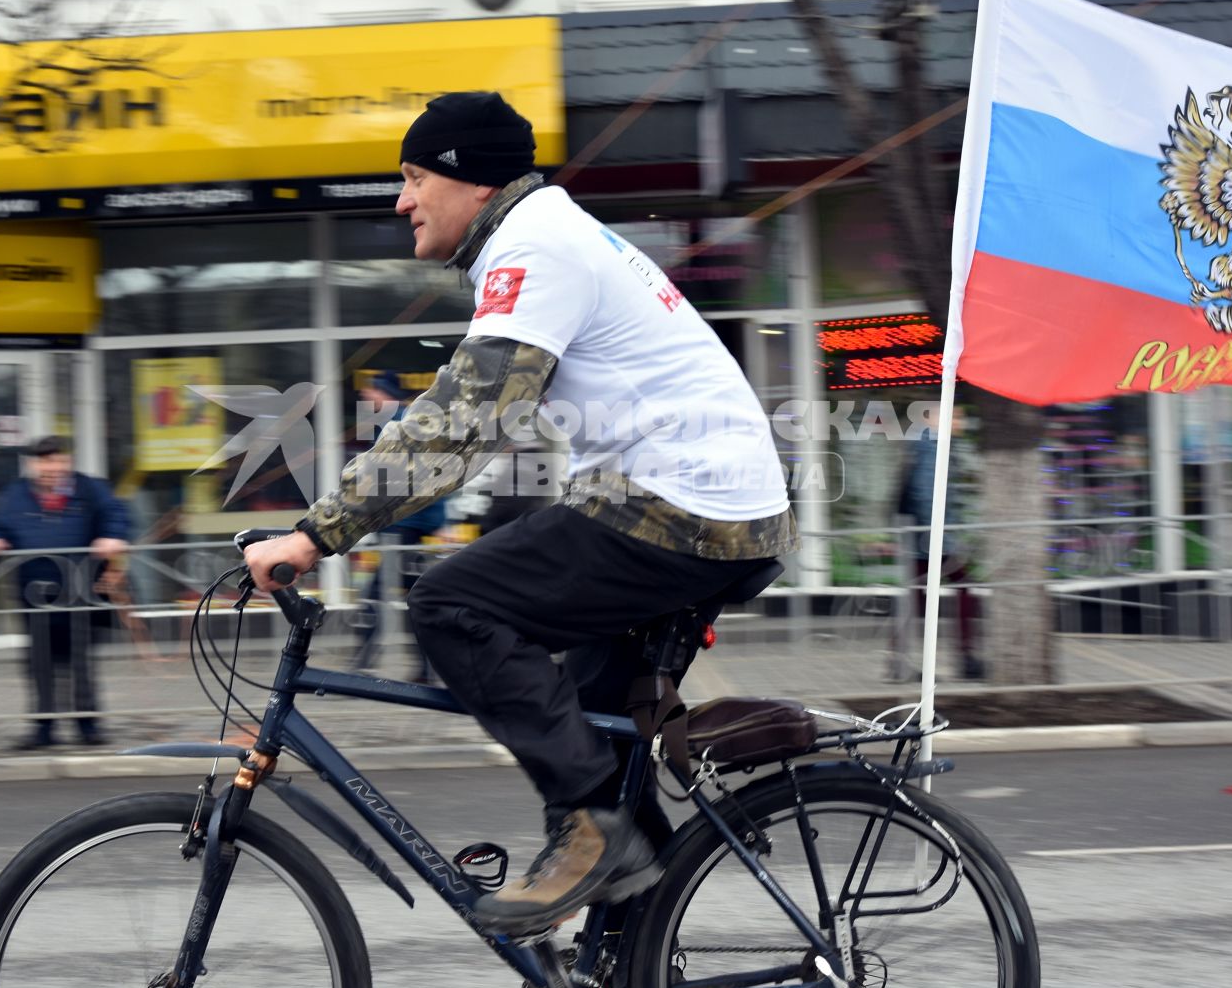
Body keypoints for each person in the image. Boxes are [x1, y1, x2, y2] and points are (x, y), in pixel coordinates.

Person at [245, 91, 796, 937]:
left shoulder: (535, 243)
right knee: (602, 745)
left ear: (470, 181)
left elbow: (465, 419)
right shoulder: (549, 235)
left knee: (452, 602)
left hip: (683, 509)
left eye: (414, 176)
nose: (401, 201)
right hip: (696, 506)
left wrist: (317, 535)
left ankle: (587, 832)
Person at [0, 436, 131, 749]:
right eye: (45, 461)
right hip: (34, 593)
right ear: (33, 464)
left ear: (68, 462)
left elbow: (116, 514)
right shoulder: (15, 495)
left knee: (80, 661)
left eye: (58, 460)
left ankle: (88, 727)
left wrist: (111, 537)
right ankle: (43, 730)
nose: (53, 467)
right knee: (39, 663)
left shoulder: (89, 489)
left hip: (81, 589)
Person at [348, 371, 446, 681]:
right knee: (412, 597)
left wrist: (436, 520)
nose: (366, 397)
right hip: (403, 526)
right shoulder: (396, 424)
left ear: (384, 393)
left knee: (377, 595)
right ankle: (426, 667)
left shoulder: (402, 426)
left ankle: (364, 663)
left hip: (404, 527)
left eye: (371, 391)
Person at [894, 405, 985, 680]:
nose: (961, 421)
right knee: (959, 591)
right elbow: (927, 494)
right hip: (931, 540)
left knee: (919, 599)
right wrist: (945, 541)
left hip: (927, 538)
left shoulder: (933, 444)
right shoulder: (931, 447)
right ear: (936, 418)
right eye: (955, 416)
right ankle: (965, 658)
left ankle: (901, 661)